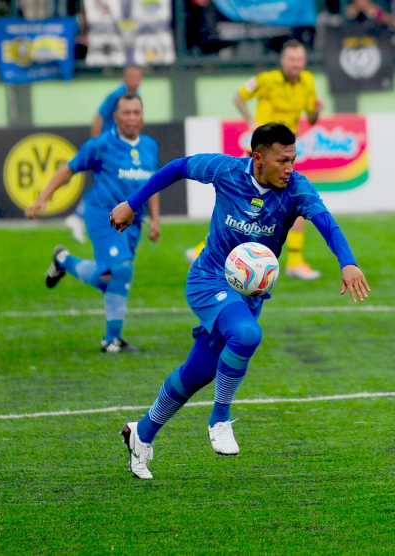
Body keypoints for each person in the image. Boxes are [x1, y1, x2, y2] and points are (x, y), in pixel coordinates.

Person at [110, 123, 370, 479]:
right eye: (283, 161)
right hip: (208, 279)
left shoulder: (296, 189)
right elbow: (177, 167)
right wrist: (132, 203)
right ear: (259, 158)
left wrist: (348, 261)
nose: (290, 168)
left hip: (247, 295)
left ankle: (141, 433)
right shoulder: (225, 170)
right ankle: (219, 419)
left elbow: (327, 223)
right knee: (247, 335)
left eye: (294, 160)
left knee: (197, 373)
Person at [25, 93, 160, 353]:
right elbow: (68, 169)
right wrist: (42, 198)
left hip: (133, 223)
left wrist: (155, 219)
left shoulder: (150, 146)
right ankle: (111, 340)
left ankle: (63, 260)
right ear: (116, 117)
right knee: (122, 270)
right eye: (127, 113)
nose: (132, 118)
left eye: (137, 112)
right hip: (104, 217)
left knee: (110, 279)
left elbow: (152, 185)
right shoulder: (99, 145)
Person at [192, 39, 323, 282]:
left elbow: (312, 118)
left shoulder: (308, 82)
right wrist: (250, 121)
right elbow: (238, 96)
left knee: (298, 204)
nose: (296, 64)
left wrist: (316, 110)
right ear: (283, 60)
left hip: (284, 158)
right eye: (291, 59)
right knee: (243, 208)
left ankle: (294, 261)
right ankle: (204, 249)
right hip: (261, 157)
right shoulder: (266, 80)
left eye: (300, 59)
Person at [65, 65, 144, 244]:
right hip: (111, 148)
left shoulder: (135, 96)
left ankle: (79, 217)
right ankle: (81, 218)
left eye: (138, 76)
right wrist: (97, 145)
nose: (136, 80)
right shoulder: (117, 95)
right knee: (111, 183)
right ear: (125, 77)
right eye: (132, 76)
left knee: (111, 184)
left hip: (122, 148)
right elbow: (98, 117)